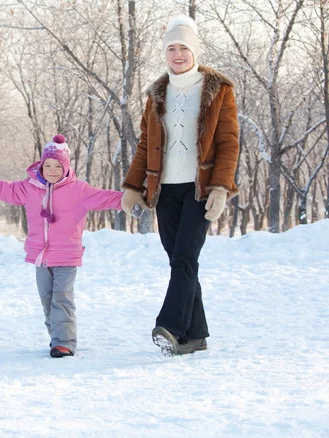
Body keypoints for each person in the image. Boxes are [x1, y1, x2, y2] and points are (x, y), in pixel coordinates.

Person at [121, 15, 239, 356]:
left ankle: (170, 326)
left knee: (185, 256)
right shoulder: (157, 93)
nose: (177, 54)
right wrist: (133, 185)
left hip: (200, 188)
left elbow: (229, 142)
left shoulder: (219, 90)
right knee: (180, 260)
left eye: (183, 48)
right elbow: (146, 144)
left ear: (195, 50)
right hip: (166, 191)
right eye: (171, 48)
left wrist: (220, 187)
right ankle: (195, 335)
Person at [0, 135, 123, 357]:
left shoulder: (79, 190)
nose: (52, 170)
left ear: (66, 167)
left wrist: (129, 199)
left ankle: (65, 342)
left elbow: (105, 198)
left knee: (62, 296)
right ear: (41, 166)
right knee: (47, 299)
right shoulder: (29, 187)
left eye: (57, 166)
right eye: (47, 165)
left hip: (67, 256)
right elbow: (6, 190)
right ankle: (56, 338)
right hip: (41, 256)